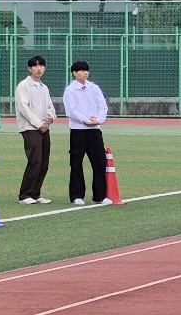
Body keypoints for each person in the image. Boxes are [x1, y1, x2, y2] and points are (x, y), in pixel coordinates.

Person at [63, 60, 110, 206]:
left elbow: (102, 105)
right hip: (78, 131)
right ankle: (77, 195)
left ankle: (100, 196)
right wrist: (85, 120)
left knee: (100, 162)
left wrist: (99, 120)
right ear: (74, 73)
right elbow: (71, 111)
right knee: (76, 163)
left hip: (95, 131)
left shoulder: (94, 88)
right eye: (82, 70)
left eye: (86, 70)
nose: (85, 73)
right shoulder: (70, 90)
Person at [14, 55, 57, 205]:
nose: (39, 69)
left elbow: (50, 106)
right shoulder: (23, 86)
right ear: (29, 69)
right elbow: (23, 108)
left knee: (44, 162)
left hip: (44, 128)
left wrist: (51, 117)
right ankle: (25, 195)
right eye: (35, 66)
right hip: (30, 128)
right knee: (35, 161)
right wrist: (39, 124)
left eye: (41, 66)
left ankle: (36, 194)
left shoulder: (44, 87)